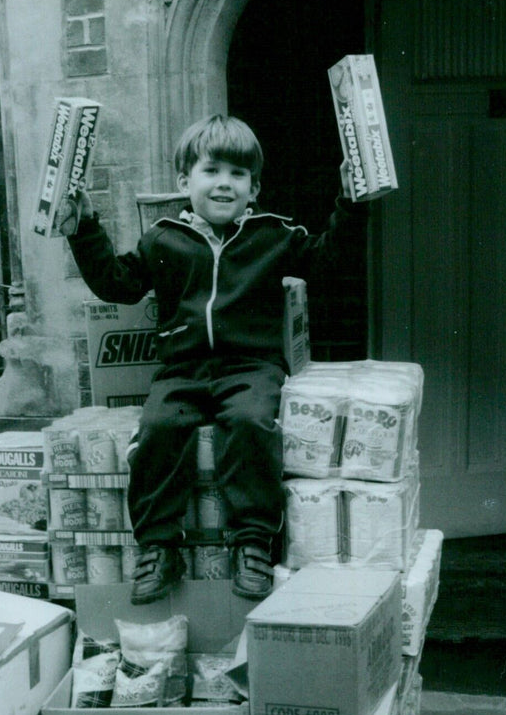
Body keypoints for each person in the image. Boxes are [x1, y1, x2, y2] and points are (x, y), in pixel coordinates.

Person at [65, 113, 368, 604]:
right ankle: (159, 547)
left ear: (255, 187)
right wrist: (83, 228)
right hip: (182, 369)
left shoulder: (275, 235)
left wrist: (351, 205)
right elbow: (116, 283)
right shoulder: (164, 238)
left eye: (238, 174)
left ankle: (252, 542)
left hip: (252, 368)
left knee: (250, 423)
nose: (225, 183)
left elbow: (329, 262)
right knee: (160, 428)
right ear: (185, 181)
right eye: (212, 171)